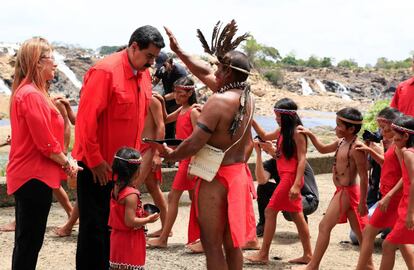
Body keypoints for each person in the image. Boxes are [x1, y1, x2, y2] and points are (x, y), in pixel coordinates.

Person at [160, 26, 256, 269]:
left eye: (219, 67)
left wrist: (172, 154)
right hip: (237, 175)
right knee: (232, 242)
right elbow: (202, 70)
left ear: (227, 72)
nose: (214, 70)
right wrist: (179, 51)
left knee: (211, 243)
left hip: (216, 176)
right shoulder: (246, 96)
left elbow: (194, 142)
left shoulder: (218, 101)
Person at [72, 25, 164, 269]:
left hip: (123, 170)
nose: (151, 63)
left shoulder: (143, 75)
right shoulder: (105, 71)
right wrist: (95, 161)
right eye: (149, 56)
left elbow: (139, 122)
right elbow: (85, 121)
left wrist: (134, 170)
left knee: (116, 228)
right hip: (97, 168)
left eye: (154, 57)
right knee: (94, 229)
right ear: (134, 47)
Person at [7, 37, 80, 270]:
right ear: (38, 63)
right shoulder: (31, 94)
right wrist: (68, 164)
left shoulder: (32, 92)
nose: (55, 64)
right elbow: (45, 143)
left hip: (33, 176)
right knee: (29, 242)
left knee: (27, 242)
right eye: (51, 59)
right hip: (32, 177)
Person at [294, 107, 369, 270]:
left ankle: (313, 265)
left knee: (324, 226)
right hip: (342, 192)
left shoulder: (357, 148)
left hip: (347, 192)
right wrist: (310, 134)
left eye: (338, 125)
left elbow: (364, 177)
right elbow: (322, 149)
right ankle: (368, 265)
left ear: (351, 129)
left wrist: (363, 202)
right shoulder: (341, 142)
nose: (335, 128)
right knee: (361, 233)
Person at [245, 98, 312, 265]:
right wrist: (251, 120)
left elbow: (302, 159)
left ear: (287, 117)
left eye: (278, 116)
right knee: (297, 216)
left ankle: (263, 254)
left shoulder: (297, 132)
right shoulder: (282, 131)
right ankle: (308, 255)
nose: (276, 119)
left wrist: (297, 184)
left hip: (290, 179)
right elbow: (266, 136)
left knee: (270, 211)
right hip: (286, 177)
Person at [148, 76, 201, 248]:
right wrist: (160, 100)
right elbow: (165, 118)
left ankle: (163, 238)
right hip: (183, 158)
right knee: (196, 200)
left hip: (188, 160)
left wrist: (192, 163)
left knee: (173, 196)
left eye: (181, 93)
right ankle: (203, 236)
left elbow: (197, 139)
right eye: (176, 93)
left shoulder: (193, 111)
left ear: (190, 92)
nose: (177, 96)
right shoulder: (182, 109)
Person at [252, 119, 319, 237]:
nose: (274, 144)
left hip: (308, 199)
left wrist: (273, 150)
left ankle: (303, 223)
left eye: (276, 142)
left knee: (289, 210)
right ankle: (263, 224)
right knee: (263, 187)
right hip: (288, 195)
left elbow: (284, 159)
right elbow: (261, 179)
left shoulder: (295, 158)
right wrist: (258, 154)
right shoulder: (271, 164)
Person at [354, 108, 403, 270]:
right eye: (380, 127)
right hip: (384, 196)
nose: (381, 132)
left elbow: (406, 176)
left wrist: (389, 196)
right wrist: (369, 149)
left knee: (379, 238)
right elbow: (371, 167)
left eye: (386, 128)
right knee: (394, 243)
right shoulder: (383, 141)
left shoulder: (400, 146)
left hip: (393, 198)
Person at [108, 147, 160, 270]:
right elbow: (129, 221)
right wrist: (149, 220)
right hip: (129, 241)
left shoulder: (116, 187)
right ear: (136, 171)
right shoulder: (131, 194)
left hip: (117, 238)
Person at [379, 115, 414, 270]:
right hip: (406, 204)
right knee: (392, 244)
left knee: (388, 245)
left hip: (409, 206)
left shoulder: (408, 154)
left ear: (406, 136)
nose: (393, 139)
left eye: (395, 136)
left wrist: (411, 213)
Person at [53, 96, 79, 237]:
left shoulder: (57, 102)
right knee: (53, 183)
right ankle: (70, 214)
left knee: (54, 183)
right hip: (53, 148)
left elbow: (68, 125)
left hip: (56, 149)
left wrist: (64, 149)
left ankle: (70, 214)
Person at [153, 53, 188, 140]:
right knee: (164, 122)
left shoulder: (179, 72)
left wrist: (162, 98)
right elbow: (154, 82)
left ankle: (170, 144)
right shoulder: (162, 69)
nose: (163, 67)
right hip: (167, 99)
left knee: (172, 125)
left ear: (169, 61)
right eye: (160, 66)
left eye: (164, 65)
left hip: (178, 100)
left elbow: (178, 92)